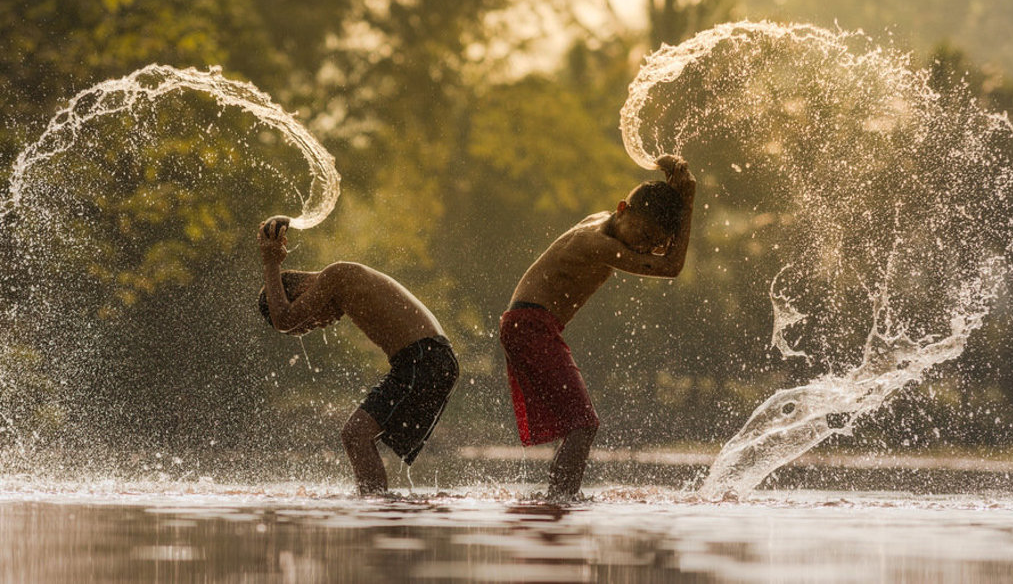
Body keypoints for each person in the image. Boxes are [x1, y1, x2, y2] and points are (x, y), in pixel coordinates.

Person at [500, 155, 696, 500]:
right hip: (530, 324)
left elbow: (654, 223)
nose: (643, 247)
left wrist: (674, 196)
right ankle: (560, 500)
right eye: (644, 235)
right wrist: (690, 202)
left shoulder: (605, 221)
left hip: (531, 324)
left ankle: (557, 497)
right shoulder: (598, 244)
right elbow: (671, 268)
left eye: (653, 243)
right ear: (622, 208)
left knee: (579, 424)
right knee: (583, 423)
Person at [257, 216, 459, 495]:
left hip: (424, 359)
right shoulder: (343, 283)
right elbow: (286, 319)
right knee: (356, 436)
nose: (319, 324)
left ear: (302, 291)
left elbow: (283, 318)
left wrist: (270, 262)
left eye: (309, 322)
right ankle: (382, 504)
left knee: (355, 435)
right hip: (423, 360)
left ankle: (376, 510)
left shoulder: (336, 275)